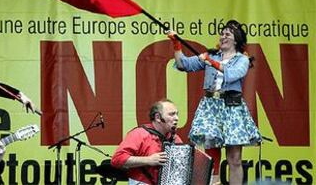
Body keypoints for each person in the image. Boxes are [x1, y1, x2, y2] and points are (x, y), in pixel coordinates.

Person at [167, 20, 261, 185]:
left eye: (227, 34)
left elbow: (232, 74)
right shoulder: (211, 55)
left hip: (232, 107)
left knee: (235, 159)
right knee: (212, 158)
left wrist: (211, 62)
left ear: (236, 39)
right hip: (211, 107)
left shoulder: (242, 59)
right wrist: (176, 44)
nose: (223, 36)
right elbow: (183, 65)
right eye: (222, 33)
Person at [111, 99, 183, 185]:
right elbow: (117, 159)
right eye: (171, 114)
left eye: (177, 114)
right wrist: (148, 160)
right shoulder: (139, 134)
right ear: (158, 117)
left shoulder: (175, 139)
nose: (176, 118)